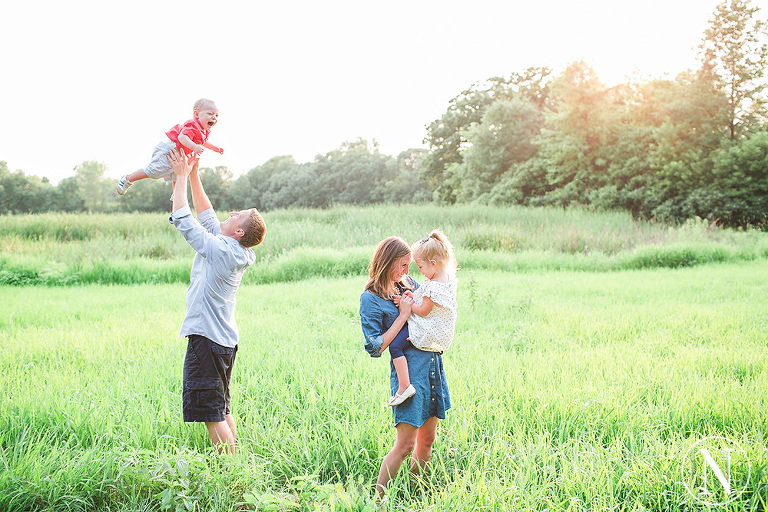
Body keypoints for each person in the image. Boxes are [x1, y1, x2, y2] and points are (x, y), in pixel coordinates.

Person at [167, 148, 266, 454]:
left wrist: (180, 177)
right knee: (221, 407)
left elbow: (185, 221)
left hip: (207, 340)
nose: (231, 212)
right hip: (222, 340)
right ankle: (234, 461)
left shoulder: (222, 250)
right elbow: (206, 213)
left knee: (212, 414)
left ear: (238, 231)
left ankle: (228, 470)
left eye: (237, 215)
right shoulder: (233, 248)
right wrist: (194, 174)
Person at [359, 236, 452, 501]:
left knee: (427, 440)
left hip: (432, 364)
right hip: (409, 373)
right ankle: (378, 501)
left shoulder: (407, 283)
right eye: (402, 265)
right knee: (406, 444)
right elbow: (375, 347)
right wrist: (402, 315)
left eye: (409, 264)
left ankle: (416, 494)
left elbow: (430, 305)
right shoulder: (371, 298)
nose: (407, 271)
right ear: (387, 262)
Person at [382, 230, 458, 407]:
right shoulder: (446, 280)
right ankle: (405, 386)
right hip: (435, 327)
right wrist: (413, 296)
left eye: (420, 267)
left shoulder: (434, 287)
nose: (419, 271)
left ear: (433, 263)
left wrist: (405, 304)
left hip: (427, 328)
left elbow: (423, 310)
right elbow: (426, 300)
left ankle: (404, 386)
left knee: (395, 346)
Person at [117, 98, 224, 195]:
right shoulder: (192, 125)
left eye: (216, 115)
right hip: (169, 150)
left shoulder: (203, 130)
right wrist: (194, 147)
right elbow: (182, 137)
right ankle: (127, 179)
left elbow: (203, 142)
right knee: (153, 171)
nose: (214, 117)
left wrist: (215, 148)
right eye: (210, 114)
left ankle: (177, 196)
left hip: (178, 153)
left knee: (178, 175)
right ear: (196, 114)